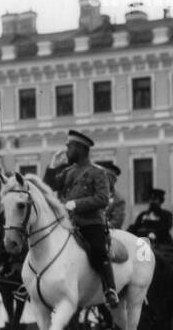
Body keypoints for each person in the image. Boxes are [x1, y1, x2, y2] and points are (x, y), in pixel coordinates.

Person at [45, 129, 118, 309]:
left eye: (70, 147)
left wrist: (76, 204)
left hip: (91, 223)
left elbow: (102, 199)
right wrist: (52, 166)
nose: (67, 151)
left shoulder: (97, 172)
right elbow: (48, 186)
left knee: (98, 249)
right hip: (68, 224)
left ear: (80, 148)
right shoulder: (69, 172)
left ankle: (110, 289)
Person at [98, 161, 126, 230]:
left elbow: (117, 222)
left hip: (109, 233)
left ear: (113, 181)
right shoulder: (94, 195)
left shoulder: (118, 199)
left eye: (108, 178)